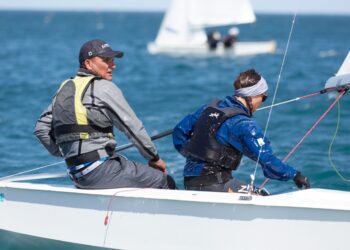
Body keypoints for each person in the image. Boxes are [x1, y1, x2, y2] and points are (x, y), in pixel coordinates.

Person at [34, 39, 176, 190]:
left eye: (113, 60)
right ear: (88, 63)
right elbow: (132, 127)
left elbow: (41, 128)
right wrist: (154, 158)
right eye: (106, 60)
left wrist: (67, 152)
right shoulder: (104, 87)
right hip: (101, 171)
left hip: (76, 174)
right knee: (165, 181)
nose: (113, 65)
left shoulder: (64, 89)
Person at [172, 69, 310, 193]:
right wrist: (295, 175)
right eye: (263, 97)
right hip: (216, 185)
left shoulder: (207, 108)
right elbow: (267, 160)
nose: (263, 101)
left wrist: (194, 155)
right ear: (252, 96)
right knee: (263, 195)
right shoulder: (244, 124)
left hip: (189, 182)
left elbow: (179, 132)